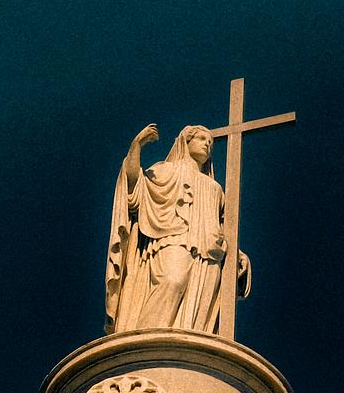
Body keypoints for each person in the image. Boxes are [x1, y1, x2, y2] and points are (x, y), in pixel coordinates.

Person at [104, 123, 249, 333]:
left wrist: (238, 253)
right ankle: (147, 339)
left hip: (210, 252)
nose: (207, 144)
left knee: (202, 307)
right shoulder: (165, 170)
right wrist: (137, 145)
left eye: (210, 142)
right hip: (173, 237)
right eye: (201, 139)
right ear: (185, 141)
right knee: (173, 280)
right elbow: (134, 185)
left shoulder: (215, 188)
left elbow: (222, 227)